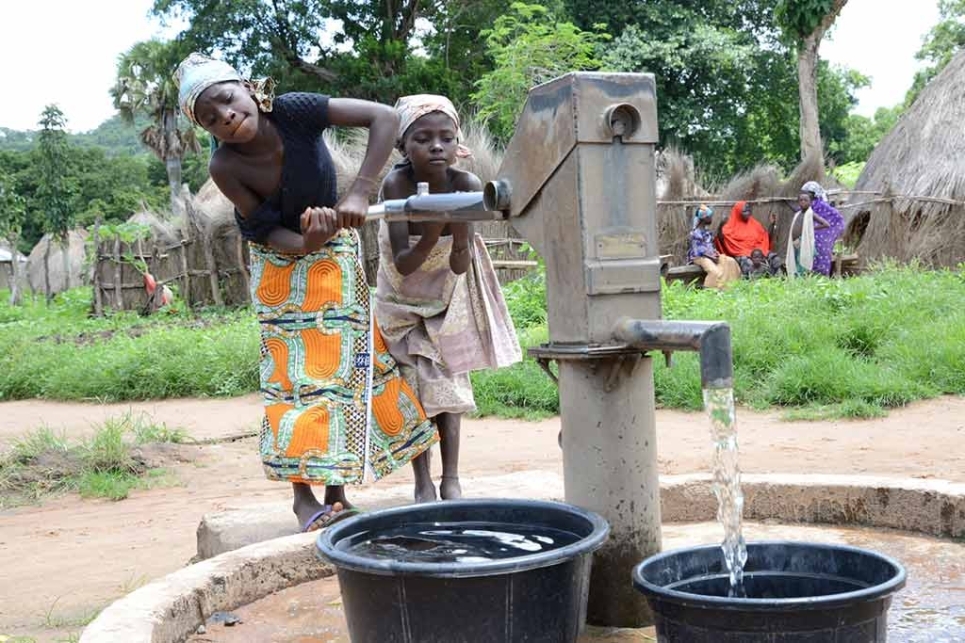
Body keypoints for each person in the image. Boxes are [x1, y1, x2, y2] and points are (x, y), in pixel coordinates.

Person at [175, 53, 437, 532]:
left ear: (251, 89)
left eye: (227, 100)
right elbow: (261, 229)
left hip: (334, 252)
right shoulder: (224, 166)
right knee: (294, 376)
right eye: (209, 118)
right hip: (279, 267)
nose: (226, 117)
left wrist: (360, 191)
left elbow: (385, 117)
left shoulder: (294, 111)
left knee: (348, 370)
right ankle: (302, 498)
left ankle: (336, 494)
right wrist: (304, 243)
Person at [375, 95, 522, 503]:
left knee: (450, 383)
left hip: (447, 293)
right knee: (412, 385)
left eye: (445, 137)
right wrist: (438, 217)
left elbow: (459, 265)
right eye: (423, 138)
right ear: (404, 147)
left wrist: (459, 229)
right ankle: (421, 480)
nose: (435, 146)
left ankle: (451, 478)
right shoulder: (397, 185)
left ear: (458, 144)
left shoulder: (466, 186)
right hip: (401, 298)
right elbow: (403, 264)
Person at [716, 201, 783, 277]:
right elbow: (722, 239)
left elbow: (764, 236)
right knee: (748, 263)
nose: (748, 213)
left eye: (749, 211)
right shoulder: (730, 226)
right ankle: (752, 282)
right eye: (745, 211)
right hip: (742, 253)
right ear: (738, 212)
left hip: (759, 251)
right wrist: (721, 225)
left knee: (775, 259)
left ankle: (777, 279)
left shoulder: (754, 223)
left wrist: (772, 224)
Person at [795, 181, 845, 276]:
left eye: (807, 192)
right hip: (805, 239)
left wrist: (822, 233)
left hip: (822, 240)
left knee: (820, 258)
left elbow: (837, 220)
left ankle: (820, 278)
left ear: (814, 194)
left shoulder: (823, 207)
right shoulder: (803, 206)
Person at [687, 205, 741, 289]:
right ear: (704, 218)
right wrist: (712, 257)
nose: (711, 219)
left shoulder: (707, 232)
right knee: (714, 272)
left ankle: (729, 286)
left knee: (731, 261)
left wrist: (715, 253)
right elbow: (699, 252)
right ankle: (709, 290)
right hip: (699, 258)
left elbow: (711, 246)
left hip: (710, 256)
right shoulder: (695, 233)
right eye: (710, 217)